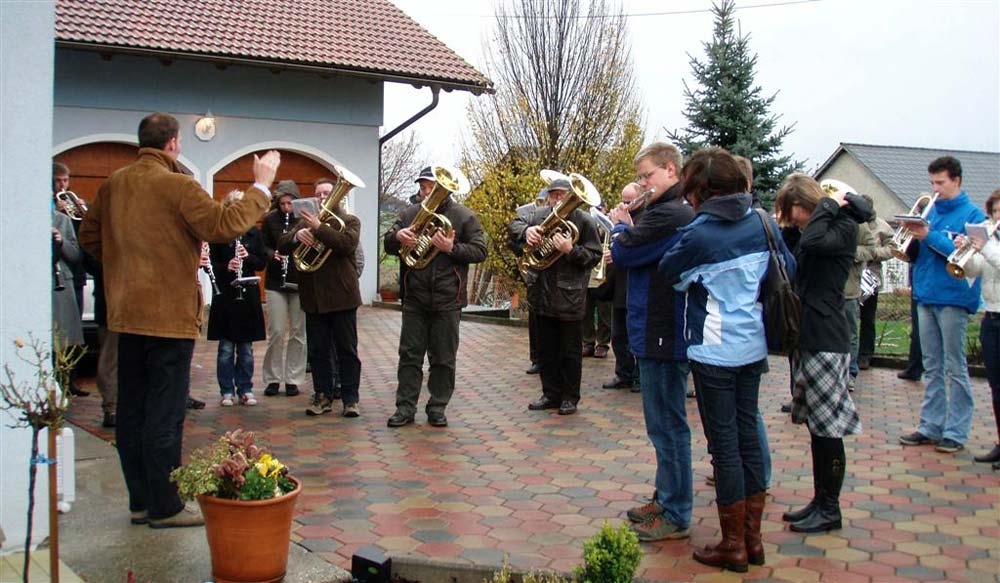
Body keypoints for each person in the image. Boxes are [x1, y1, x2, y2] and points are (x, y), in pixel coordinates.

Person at [79, 112, 280, 528]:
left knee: (131, 411)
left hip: (124, 316)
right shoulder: (177, 184)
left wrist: (124, 268)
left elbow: (89, 239)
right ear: (172, 143)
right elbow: (224, 225)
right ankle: (165, 507)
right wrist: (260, 186)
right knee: (164, 414)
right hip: (168, 317)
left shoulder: (114, 184)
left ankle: (140, 501)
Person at [658, 147, 794, 571]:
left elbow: (671, 275)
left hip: (713, 350)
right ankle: (752, 541)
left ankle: (733, 544)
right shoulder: (763, 221)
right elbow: (787, 265)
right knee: (748, 438)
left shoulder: (700, 234)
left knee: (725, 449)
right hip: (752, 345)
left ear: (701, 190)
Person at [609, 142, 694, 541]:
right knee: (659, 424)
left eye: (648, 175)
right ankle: (665, 498)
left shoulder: (672, 213)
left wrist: (621, 226)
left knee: (668, 425)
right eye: (640, 177)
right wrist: (630, 227)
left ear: (671, 171)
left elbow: (624, 255)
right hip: (652, 326)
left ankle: (676, 512)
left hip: (665, 328)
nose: (643, 183)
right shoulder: (659, 211)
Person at [774, 173, 867, 534]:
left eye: (794, 209)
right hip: (808, 336)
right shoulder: (817, 226)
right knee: (816, 425)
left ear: (807, 203)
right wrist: (789, 222)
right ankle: (819, 499)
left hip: (828, 336)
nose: (793, 218)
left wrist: (828, 203)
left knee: (829, 427)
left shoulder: (841, 226)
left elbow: (812, 240)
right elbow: (791, 247)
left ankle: (831, 508)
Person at [384, 167, 487, 427]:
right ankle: (405, 408)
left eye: (431, 186)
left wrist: (451, 248)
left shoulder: (464, 217)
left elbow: (480, 251)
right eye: (423, 186)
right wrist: (397, 237)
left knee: (443, 357)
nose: (426, 191)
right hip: (415, 297)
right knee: (409, 355)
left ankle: (437, 407)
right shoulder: (409, 214)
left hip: (447, 298)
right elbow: (388, 243)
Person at [899, 156, 986, 453]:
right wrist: (911, 239)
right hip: (925, 294)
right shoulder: (930, 210)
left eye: (941, 182)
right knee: (932, 366)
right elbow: (921, 252)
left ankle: (957, 431)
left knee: (955, 367)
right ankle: (930, 425)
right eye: (932, 182)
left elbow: (965, 255)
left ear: (957, 181)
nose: (935, 188)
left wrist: (929, 235)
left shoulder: (973, 215)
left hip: (953, 297)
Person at [509, 177, 601, 416]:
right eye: (554, 195)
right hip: (541, 291)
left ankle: (570, 397)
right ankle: (550, 394)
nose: (558, 199)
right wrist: (526, 233)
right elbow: (514, 231)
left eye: (562, 194)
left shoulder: (584, 221)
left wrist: (571, 251)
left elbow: (594, 255)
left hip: (569, 295)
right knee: (546, 349)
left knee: (570, 351)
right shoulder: (539, 216)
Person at [278, 174, 363, 418]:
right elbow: (282, 244)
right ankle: (322, 395)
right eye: (318, 194)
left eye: (327, 193)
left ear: (338, 196)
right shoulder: (303, 222)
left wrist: (318, 228)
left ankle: (350, 399)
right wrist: (296, 237)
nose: (323, 197)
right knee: (318, 350)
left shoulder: (349, 221)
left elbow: (345, 245)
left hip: (343, 296)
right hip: (314, 297)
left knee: (347, 350)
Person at [205, 191, 268, 407]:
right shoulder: (219, 234)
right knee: (225, 349)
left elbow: (261, 262)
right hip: (225, 296)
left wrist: (246, 257)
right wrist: (226, 266)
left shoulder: (253, 233)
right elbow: (209, 264)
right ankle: (226, 391)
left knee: (246, 349)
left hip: (247, 296)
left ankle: (246, 388)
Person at [959, 188, 1000, 469]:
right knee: (996, 387)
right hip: (992, 316)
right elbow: (973, 271)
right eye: (994, 212)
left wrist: (985, 245)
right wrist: (968, 249)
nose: (997, 217)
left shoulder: (993, 243)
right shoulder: (992, 240)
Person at [261, 180, 306, 397]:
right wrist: (273, 255)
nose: (287, 208)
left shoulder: (304, 219)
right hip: (276, 282)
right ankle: (272, 378)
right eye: (283, 204)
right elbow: (263, 246)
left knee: (298, 332)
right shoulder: (270, 220)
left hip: (300, 280)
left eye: (290, 204)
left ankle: (293, 378)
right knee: (277, 331)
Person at [51, 162, 89, 397]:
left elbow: (79, 248)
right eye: (58, 181)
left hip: (73, 277)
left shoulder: (70, 211)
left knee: (71, 335)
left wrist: (77, 215)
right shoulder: (51, 211)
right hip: (57, 278)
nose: (62, 185)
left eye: (65, 181)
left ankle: (70, 380)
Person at [842, 219, 892, 391]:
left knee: (865, 321)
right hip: (841, 284)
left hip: (868, 278)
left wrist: (862, 253)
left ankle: (861, 361)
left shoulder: (880, 226)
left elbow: (888, 249)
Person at [602, 183, 642, 392]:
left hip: (635, 284)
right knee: (618, 335)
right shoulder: (620, 216)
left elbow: (638, 244)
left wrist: (624, 224)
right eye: (623, 200)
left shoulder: (645, 217)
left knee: (635, 333)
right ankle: (623, 373)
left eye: (629, 201)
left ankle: (639, 376)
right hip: (620, 283)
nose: (624, 205)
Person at [857, 196, 894, 370]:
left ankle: (865, 355)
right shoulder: (853, 222)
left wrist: (874, 253)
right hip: (851, 275)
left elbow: (893, 249)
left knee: (868, 319)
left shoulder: (882, 226)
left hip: (871, 277)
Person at [514, 189, 549, 375]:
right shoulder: (528, 215)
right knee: (535, 319)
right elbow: (513, 237)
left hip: (556, 274)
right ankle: (536, 359)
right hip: (536, 272)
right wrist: (526, 238)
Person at [582, 209, 613, 359]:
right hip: (588, 273)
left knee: (604, 312)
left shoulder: (609, 225)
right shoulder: (586, 224)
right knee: (586, 311)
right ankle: (588, 341)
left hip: (604, 275)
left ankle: (602, 344)